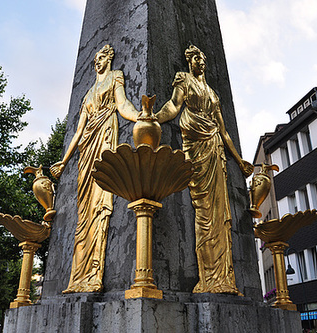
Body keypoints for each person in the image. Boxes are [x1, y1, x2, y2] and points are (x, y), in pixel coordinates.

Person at [155, 45, 253, 294]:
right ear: (189, 60)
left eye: (204, 57)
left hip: (214, 149)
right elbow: (174, 107)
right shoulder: (184, 80)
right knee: (205, 213)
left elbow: (223, 131)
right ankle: (208, 276)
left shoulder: (212, 93)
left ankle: (222, 278)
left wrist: (240, 161)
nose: (202, 61)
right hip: (196, 149)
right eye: (198, 57)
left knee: (219, 213)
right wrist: (152, 117)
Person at [50, 44, 138, 293]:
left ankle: (94, 274)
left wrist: (140, 115)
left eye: (100, 58)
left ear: (108, 59)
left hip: (105, 137)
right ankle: (78, 277)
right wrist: (64, 161)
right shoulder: (88, 94)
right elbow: (78, 131)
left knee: (100, 205)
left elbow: (122, 105)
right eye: (95, 59)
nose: (96, 62)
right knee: (85, 210)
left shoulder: (115, 76)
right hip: (87, 148)